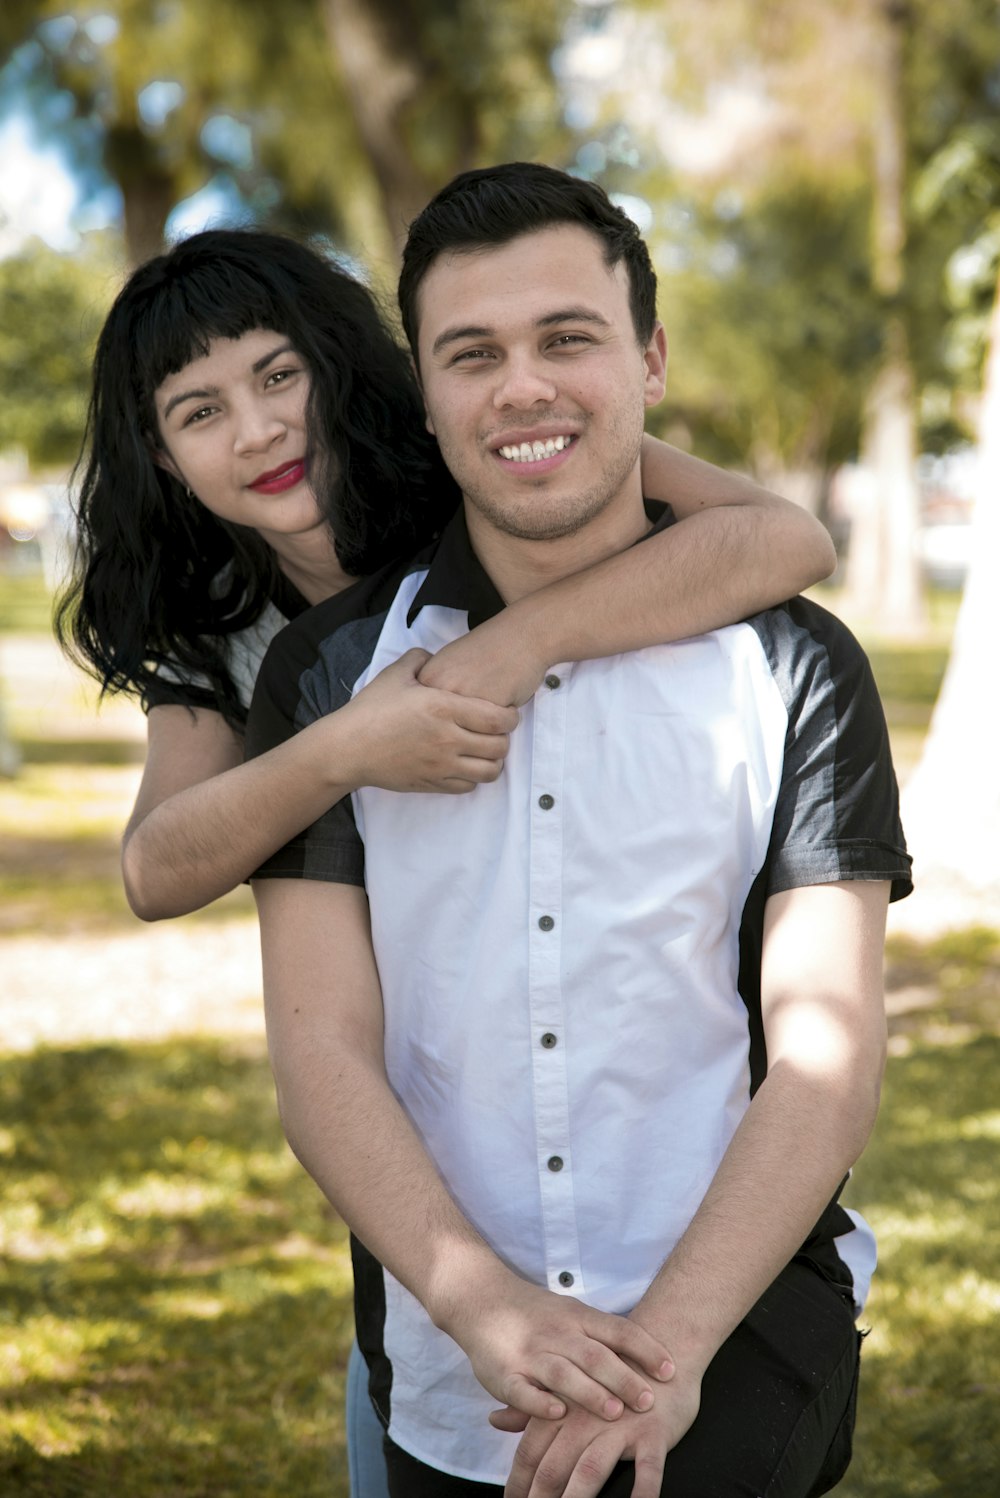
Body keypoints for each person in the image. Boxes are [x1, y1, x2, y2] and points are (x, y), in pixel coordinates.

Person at [56, 225, 835, 1498]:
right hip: (419, 1062)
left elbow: (782, 540)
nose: (254, 430)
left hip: (620, 1006)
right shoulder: (218, 621)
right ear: (160, 452)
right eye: (199, 409)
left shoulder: (481, 473)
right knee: (418, 1368)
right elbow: (157, 867)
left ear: (347, 366)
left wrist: (513, 645)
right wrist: (343, 744)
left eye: (275, 374)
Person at [247, 162, 912, 1498]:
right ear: (425, 396)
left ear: (650, 359)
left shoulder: (795, 663)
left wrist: (661, 1357)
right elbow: (322, 1047)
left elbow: (825, 1055)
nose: (525, 386)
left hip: (739, 1344)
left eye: (570, 338)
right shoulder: (330, 677)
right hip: (452, 1376)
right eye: (472, 352)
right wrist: (484, 1308)